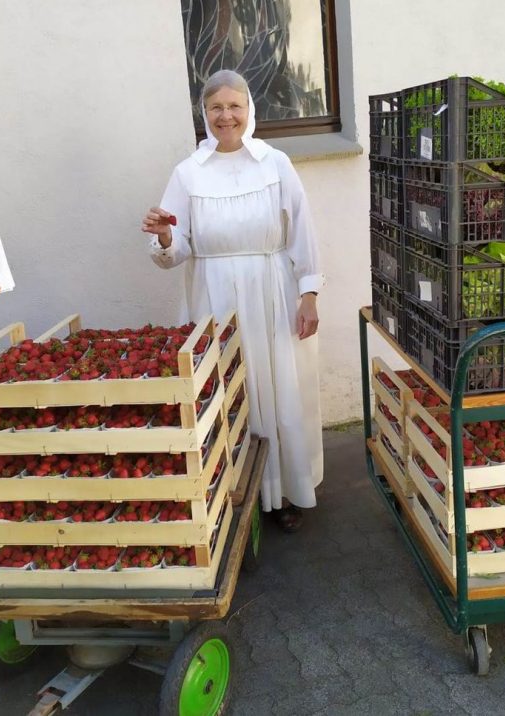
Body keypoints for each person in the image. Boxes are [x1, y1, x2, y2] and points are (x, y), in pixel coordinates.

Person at [141, 69, 324, 533]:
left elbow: (302, 230)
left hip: (272, 290)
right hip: (214, 295)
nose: (227, 116)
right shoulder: (187, 174)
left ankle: (281, 491)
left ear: (250, 110)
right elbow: (174, 251)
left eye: (235, 106)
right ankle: (233, 492)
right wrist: (165, 236)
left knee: (277, 388)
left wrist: (309, 294)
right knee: (227, 392)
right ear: (204, 114)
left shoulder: (275, 163)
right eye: (216, 107)